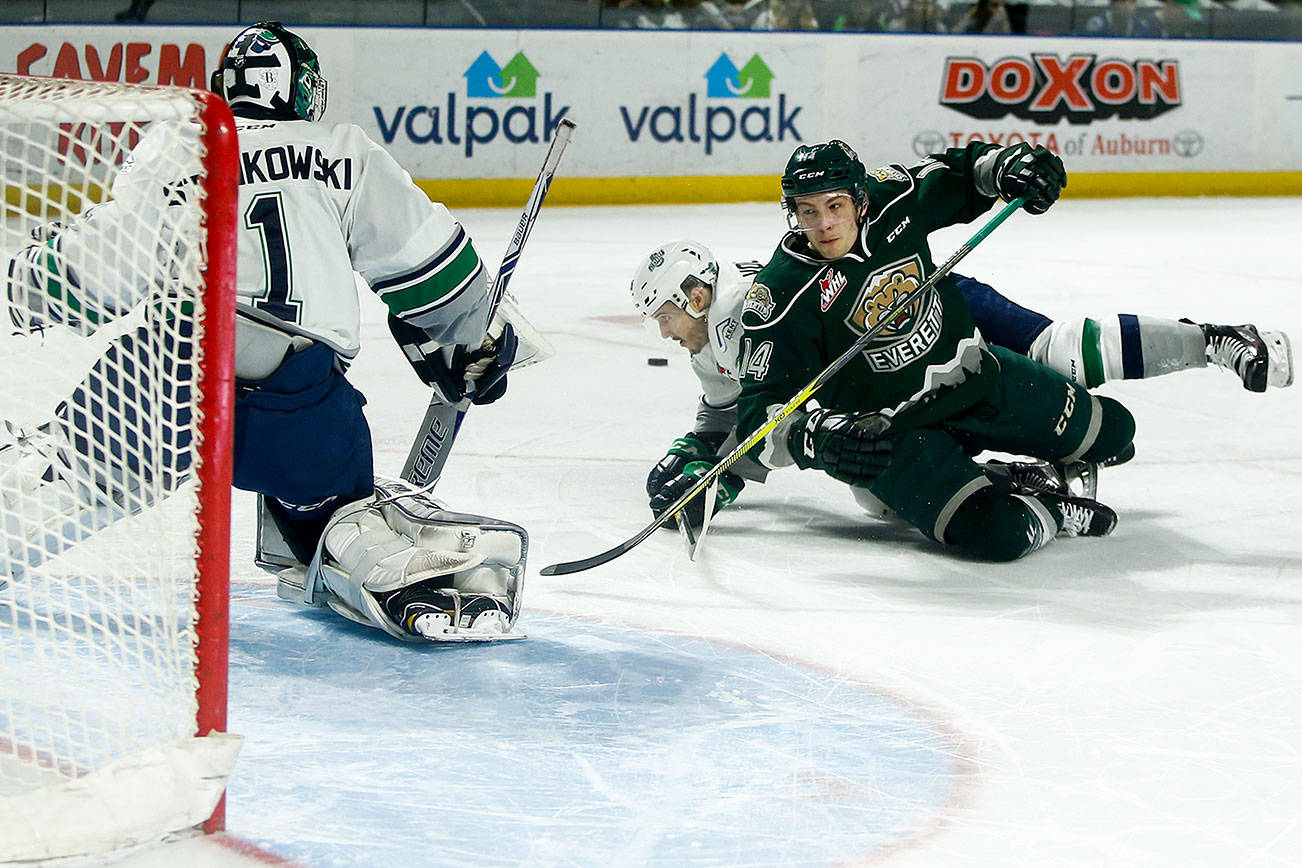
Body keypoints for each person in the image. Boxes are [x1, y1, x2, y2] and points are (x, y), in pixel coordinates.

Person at [2, 22, 527, 642]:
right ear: (304, 90)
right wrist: (471, 340)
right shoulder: (339, 148)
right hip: (300, 397)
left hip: (172, 371)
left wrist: (27, 282)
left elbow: (105, 270)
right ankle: (381, 565)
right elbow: (434, 271)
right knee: (334, 514)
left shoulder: (181, 146)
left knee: (66, 478)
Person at [632, 239, 1292, 527]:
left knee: (1055, 351)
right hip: (897, 382)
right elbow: (731, 419)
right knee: (882, 500)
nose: (663, 331)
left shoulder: (752, 303)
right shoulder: (713, 347)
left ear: (695, 294)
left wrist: (719, 471)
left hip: (919, 308)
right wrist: (700, 464)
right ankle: (1015, 483)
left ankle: (1213, 341)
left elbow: (755, 421)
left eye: (664, 313)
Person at [722, 138, 1137, 563]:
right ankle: (1048, 508)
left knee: (1118, 432)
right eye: (808, 211)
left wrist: (1010, 165)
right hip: (897, 437)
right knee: (998, 532)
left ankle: (1004, 470)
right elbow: (759, 411)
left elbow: (963, 172)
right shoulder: (780, 295)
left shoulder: (894, 198)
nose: (824, 224)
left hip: (977, 378)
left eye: (835, 206)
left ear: (861, 200)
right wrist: (814, 437)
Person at [1084, 0, 1164, 36]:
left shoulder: (1140, 25)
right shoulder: (1098, 24)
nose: (1128, 6)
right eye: (1123, 2)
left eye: (1132, 2)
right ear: (1113, 4)